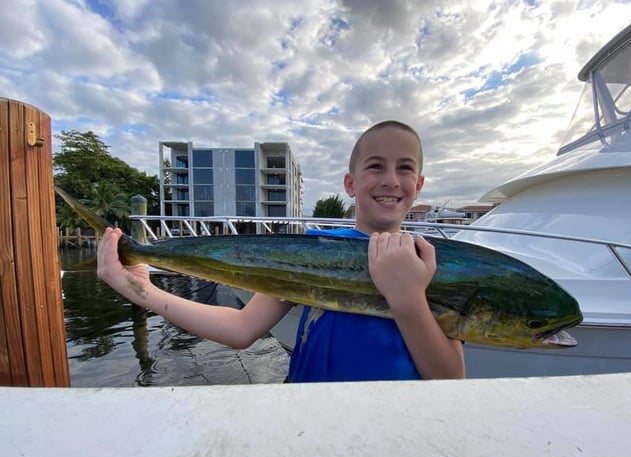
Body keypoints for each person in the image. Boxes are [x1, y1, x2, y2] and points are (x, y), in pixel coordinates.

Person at [97, 120, 465, 382]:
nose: (390, 179)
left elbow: (449, 377)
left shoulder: (434, 264)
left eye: (405, 169)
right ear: (350, 184)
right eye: (375, 166)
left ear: (417, 185)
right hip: (306, 423)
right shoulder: (313, 251)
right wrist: (140, 290)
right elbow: (241, 329)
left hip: (391, 432)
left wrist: (409, 299)